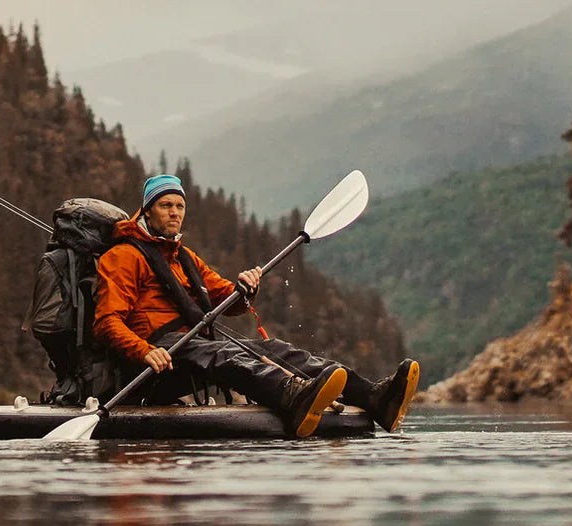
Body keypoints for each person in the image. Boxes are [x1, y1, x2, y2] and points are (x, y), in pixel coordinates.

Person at [93, 173, 420, 437]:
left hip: (191, 351)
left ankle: (374, 398)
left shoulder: (185, 258)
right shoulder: (123, 257)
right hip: (152, 361)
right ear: (148, 211)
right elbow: (107, 322)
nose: (175, 212)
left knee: (276, 349)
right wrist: (144, 350)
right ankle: (291, 394)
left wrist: (245, 289)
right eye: (166, 205)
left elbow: (227, 300)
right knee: (223, 352)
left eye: (179, 205)